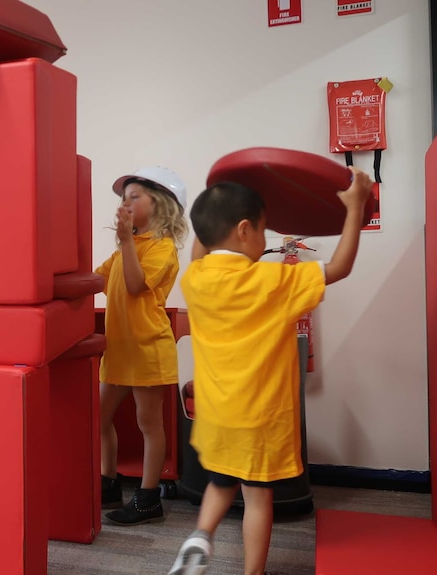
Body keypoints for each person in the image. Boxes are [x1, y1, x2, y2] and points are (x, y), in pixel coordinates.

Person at [168, 168, 373, 575]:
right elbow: (339, 267)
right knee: (257, 498)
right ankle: (253, 572)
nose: (266, 241)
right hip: (259, 419)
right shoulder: (272, 279)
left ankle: (201, 535)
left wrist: (212, 206)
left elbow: (199, 252)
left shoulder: (196, 279)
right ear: (245, 231)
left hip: (215, 414)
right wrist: (355, 207)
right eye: (264, 230)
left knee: (221, 482)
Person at [95, 166, 189, 525]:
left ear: (162, 205)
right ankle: (108, 481)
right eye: (124, 197)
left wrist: (125, 242)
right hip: (119, 348)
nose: (127, 202)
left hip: (148, 347)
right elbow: (96, 278)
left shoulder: (162, 248)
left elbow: (135, 286)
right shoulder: (125, 249)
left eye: (135, 196)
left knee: (148, 423)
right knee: (99, 416)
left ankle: (149, 497)